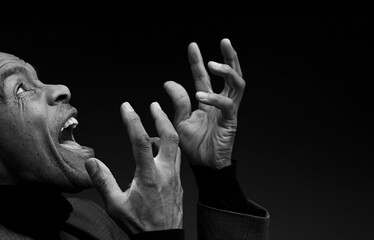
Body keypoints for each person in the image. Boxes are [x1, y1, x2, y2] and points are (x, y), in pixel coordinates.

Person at [0, 39, 270, 239]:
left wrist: (216, 181)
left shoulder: (88, 221)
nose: (61, 89)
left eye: (38, 79)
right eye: (21, 89)